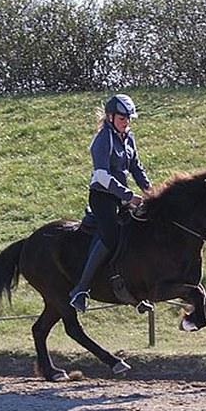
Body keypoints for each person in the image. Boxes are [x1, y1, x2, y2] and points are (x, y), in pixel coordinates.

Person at [69, 94, 152, 312]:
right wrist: (128, 195)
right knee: (111, 235)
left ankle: (135, 287)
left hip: (121, 196)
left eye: (129, 118)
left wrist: (150, 190)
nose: (126, 122)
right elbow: (102, 177)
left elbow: (136, 166)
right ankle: (81, 288)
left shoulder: (127, 136)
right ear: (110, 116)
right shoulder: (102, 139)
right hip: (103, 197)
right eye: (123, 118)